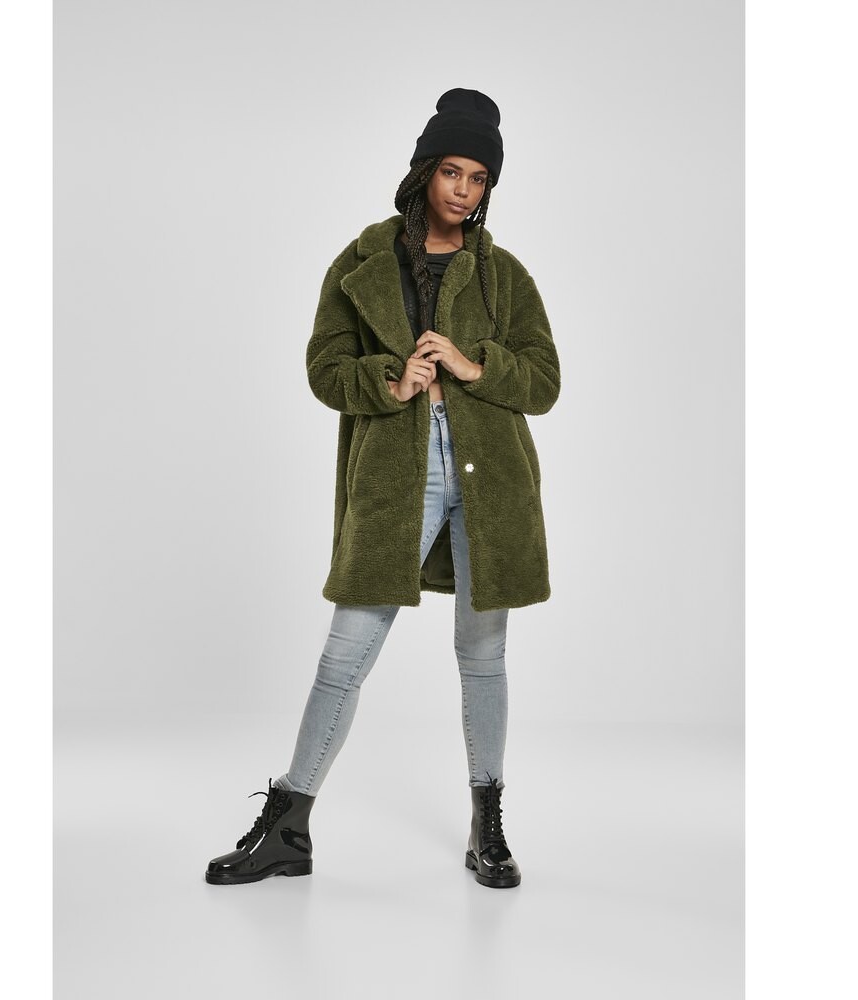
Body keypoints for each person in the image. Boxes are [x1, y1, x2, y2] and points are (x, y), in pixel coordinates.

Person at [205, 88, 560, 889]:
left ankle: (487, 826)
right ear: (424, 171)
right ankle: (288, 827)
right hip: (398, 475)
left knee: (483, 655)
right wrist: (391, 380)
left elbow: (544, 381)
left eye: (478, 178)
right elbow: (323, 368)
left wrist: (474, 364)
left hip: (492, 480)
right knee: (346, 654)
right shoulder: (362, 262)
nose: (463, 190)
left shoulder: (503, 275)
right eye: (452, 171)